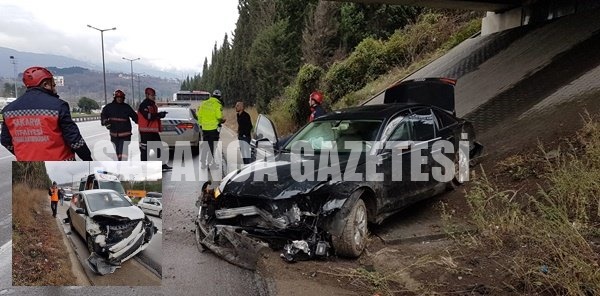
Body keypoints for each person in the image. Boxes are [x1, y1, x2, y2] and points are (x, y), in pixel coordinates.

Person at [0, 66, 93, 161]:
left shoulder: (8, 110)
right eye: (53, 84)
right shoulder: (58, 106)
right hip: (59, 165)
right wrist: (88, 159)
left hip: (26, 169)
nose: (55, 87)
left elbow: (5, 141)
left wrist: (22, 155)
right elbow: (75, 140)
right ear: (45, 84)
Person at [137, 87, 171, 170]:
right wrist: (159, 115)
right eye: (152, 95)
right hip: (145, 132)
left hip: (153, 130)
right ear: (147, 95)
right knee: (145, 150)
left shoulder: (153, 104)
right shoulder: (144, 105)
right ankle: (144, 167)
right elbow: (147, 116)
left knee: (159, 148)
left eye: (154, 95)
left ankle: (162, 165)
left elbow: (152, 116)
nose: (154, 97)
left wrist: (160, 115)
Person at [101, 89, 138, 161]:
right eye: (118, 97)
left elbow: (135, 117)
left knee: (123, 154)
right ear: (115, 98)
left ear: (123, 98)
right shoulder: (109, 107)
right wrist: (106, 122)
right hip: (114, 135)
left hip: (125, 135)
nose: (119, 99)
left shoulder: (127, 107)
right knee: (118, 154)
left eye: (121, 98)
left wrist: (142, 123)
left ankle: (123, 168)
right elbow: (103, 115)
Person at [197, 89, 226, 169]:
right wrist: (223, 120)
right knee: (212, 146)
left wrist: (201, 125)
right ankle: (211, 164)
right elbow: (219, 116)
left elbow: (199, 115)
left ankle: (203, 163)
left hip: (205, 129)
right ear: (219, 97)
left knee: (206, 145)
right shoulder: (217, 104)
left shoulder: (204, 103)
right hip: (214, 129)